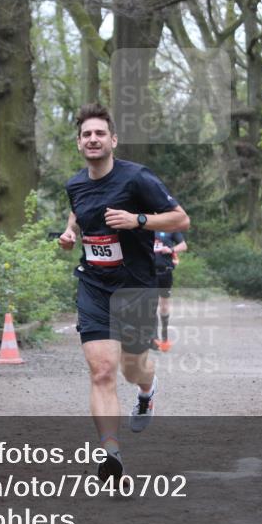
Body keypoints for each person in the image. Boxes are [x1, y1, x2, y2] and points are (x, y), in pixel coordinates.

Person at [58, 103, 189, 485]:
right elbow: (77, 213)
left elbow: (181, 219)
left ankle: (147, 391)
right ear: (79, 143)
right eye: (86, 134)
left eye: (99, 133)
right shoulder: (75, 184)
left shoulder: (137, 178)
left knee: (133, 368)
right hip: (94, 285)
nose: (93, 139)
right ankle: (110, 453)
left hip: (135, 286)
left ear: (113, 140)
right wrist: (70, 233)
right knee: (102, 371)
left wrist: (138, 220)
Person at [150, 230, 187, 352]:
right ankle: (154, 338)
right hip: (150, 273)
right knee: (152, 305)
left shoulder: (170, 228)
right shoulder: (147, 228)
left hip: (165, 272)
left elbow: (183, 245)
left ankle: (164, 337)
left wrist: (171, 250)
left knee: (164, 307)